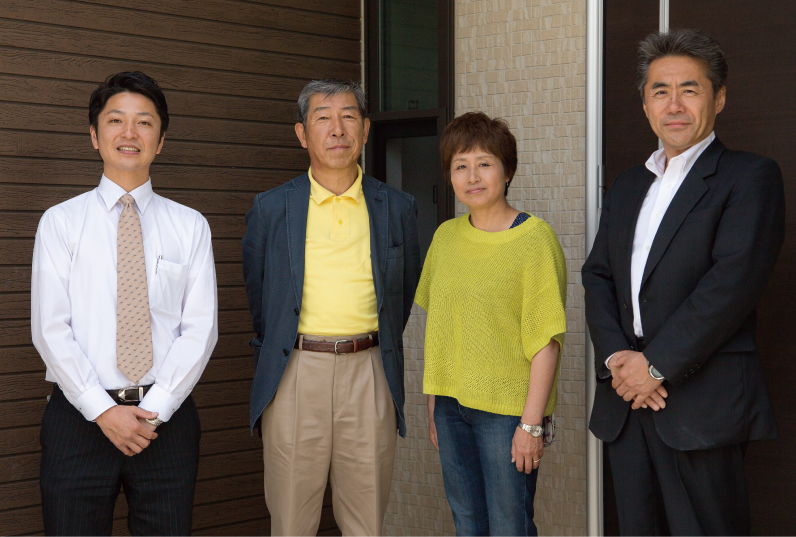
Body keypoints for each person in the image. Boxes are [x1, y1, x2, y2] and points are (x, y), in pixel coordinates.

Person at [582, 29, 784, 535]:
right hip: (626, 402)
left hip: (702, 405)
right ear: (645, 105)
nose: (674, 105)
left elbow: (730, 286)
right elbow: (598, 276)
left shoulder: (749, 177)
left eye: (689, 90)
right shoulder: (628, 185)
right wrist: (618, 360)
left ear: (719, 98)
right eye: (660, 91)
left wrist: (655, 366)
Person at [31, 71, 218, 535]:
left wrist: (156, 410)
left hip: (165, 422)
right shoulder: (60, 223)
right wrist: (101, 409)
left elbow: (200, 330)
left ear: (161, 140)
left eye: (144, 122)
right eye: (116, 120)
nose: (129, 133)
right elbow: (50, 329)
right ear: (95, 136)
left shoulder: (190, 226)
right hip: (79, 418)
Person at [242, 79, 421, 536]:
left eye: (348, 117)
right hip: (295, 370)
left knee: (366, 520)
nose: (337, 129)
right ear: (302, 133)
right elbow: (260, 298)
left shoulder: (397, 207)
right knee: (291, 518)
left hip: (370, 369)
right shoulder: (271, 208)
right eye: (323, 118)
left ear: (365, 129)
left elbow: (401, 294)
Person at [415, 112, 567, 536]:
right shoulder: (445, 237)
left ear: (507, 170)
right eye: (460, 166)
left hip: (508, 414)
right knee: (467, 523)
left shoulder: (534, 239)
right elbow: (441, 326)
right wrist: (434, 404)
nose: (472, 177)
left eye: (484, 163)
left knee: (509, 526)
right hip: (450, 407)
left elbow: (546, 340)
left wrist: (531, 425)